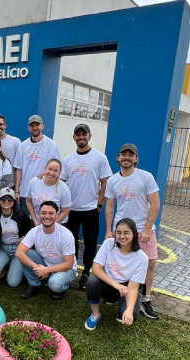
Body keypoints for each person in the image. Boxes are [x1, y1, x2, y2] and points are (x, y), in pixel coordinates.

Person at [104, 143, 161, 320]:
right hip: (120, 231)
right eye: (123, 155)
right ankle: (116, 292)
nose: (126, 158)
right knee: (119, 263)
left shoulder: (146, 177)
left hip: (143, 231)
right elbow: (110, 207)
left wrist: (145, 229)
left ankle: (146, 299)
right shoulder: (113, 180)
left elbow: (155, 204)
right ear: (118, 158)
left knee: (150, 264)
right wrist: (108, 230)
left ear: (136, 159)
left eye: (131, 155)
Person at [61, 123, 112, 290]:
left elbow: (105, 181)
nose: (81, 137)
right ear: (74, 137)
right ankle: (72, 271)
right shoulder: (68, 159)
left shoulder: (99, 157)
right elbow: (61, 182)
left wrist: (100, 203)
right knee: (71, 243)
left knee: (90, 244)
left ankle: (86, 274)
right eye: (78, 135)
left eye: (84, 134)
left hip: (91, 209)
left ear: (89, 136)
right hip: (71, 209)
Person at [84, 218, 148, 330]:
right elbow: (96, 268)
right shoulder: (109, 244)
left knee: (127, 316)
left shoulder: (142, 258)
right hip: (110, 283)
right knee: (92, 280)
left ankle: (126, 304)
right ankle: (95, 314)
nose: (122, 236)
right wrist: (117, 285)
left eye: (126, 232)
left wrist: (129, 310)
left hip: (126, 288)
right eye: (119, 232)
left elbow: (133, 288)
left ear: (134, 234)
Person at [16, 201, 77, 300]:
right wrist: (38, 268)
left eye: (51, 213)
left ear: (56, 215)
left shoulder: (66, 234)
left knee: (55, 284)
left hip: (65, 268)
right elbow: (19, 252)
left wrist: (46, 270)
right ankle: (35, 286)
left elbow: (69, 264)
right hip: (45, 263)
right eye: (43, 213)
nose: (47, 216)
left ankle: (63, 287)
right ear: (39, 215)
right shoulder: (34, 231)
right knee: (25, 253)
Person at [14, 115, 60, 214]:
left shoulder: (51, 145)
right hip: (25, 193)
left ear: (42, 126)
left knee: (42, 224)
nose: (35, 128)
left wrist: (45, 174)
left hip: (44, 194)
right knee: (26, 226)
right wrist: (17, 191)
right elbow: (19, 170)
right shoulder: (23, 146)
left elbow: (57, 168)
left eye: (37, 125)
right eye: (32, 125)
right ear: (28, 128)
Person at [0, 188, 33, 287]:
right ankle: (6, 266)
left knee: (13, 283)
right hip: (3, 249)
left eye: (10, 199)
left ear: (14, 201)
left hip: (18, 250)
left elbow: (31, 229)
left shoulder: (21, 215)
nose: (6, 202)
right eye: (3, 199)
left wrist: (25, 236)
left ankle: (12, 267)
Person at [26, 159, 71, 226]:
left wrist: (52, 224)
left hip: (56, 224)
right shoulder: (34, 182)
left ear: (59, 173)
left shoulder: (64, 188)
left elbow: (65, 211)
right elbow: (29, 201)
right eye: (50, 169)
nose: (52, 173)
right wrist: (35, 220)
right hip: (37, 222)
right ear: (45, 169)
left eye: (55, 171)